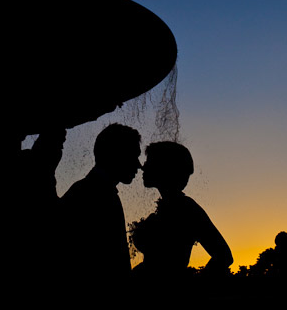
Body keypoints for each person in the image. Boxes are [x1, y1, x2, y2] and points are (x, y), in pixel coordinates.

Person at [130, 141, 232, 282]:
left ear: (165, 168)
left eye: (150, 161)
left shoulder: (186, 208)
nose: (143, 167)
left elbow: (224, 255)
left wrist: (190, 287)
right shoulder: (171, 205)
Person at [60, 123, 142, 289]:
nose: (139, 165)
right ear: (117, 155)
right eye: (134, 155)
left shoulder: (87, 190)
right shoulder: (93, 194)